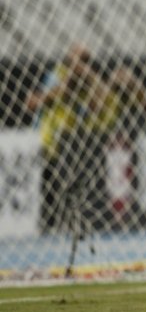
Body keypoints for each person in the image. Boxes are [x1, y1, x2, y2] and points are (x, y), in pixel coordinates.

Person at [26, 43, 117, 232]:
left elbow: (100, 106)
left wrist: (89, 77)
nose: (80, 65)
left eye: (85, 61)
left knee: (74, 198)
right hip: (48, 145)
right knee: (48, 199)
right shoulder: (56, 76)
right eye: (77, 60)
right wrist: (62, 89)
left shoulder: (90, 82)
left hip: (74, 148)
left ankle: (69, 227)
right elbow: (31, 102)